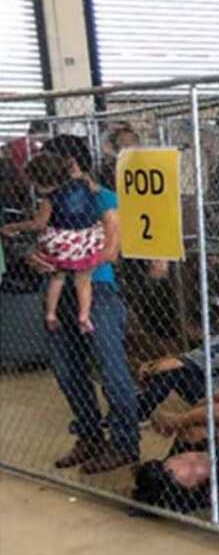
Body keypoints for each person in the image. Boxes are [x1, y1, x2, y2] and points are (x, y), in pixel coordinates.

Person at [35, 135, 139, 474]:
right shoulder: (51, 199)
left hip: (98, 290)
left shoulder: (102, 198)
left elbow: (110, 250)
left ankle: (125, 442)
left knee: (111, 370)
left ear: (69, 161)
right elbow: (42, 244)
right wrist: (39, 258)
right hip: (59, 289)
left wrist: (67, 262)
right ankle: (90, 435)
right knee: (67, 371)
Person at [0, 152, 105, 334]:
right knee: (83, 279)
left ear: (39, 182)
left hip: (61, 244)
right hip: (85, 240)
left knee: (57, 278)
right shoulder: (83, 184)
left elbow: (38, 224)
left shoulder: (49, 199)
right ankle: (84, 315)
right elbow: (93, 186)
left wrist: (13, 227)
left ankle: (50, 313)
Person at [135, 307, 219, 421]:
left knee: (171, 372)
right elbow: (181, 357)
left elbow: (170, 364)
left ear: (199, 327)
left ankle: (139, 412)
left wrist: (148, 370)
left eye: (189, 325)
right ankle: (140, 406)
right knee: (180, 367)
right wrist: (151, 363)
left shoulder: (210, 348)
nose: (186, 329)